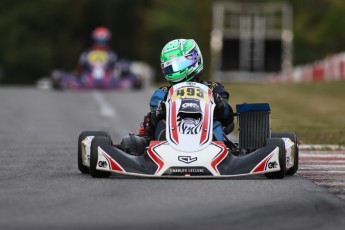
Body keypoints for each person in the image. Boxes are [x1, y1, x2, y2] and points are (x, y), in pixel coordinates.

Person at [142, 39, 234, 141]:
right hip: (171, 138)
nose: (175, 70)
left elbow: (228, 118)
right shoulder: (162, 93)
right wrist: (159, 113)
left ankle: (217, 148)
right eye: (171, 67)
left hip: (207, 136)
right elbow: (151, 123)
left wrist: (219, 106)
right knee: (161, 124)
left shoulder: (213, 88)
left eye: (179, 65)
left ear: (195, 59)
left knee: (216, 125)